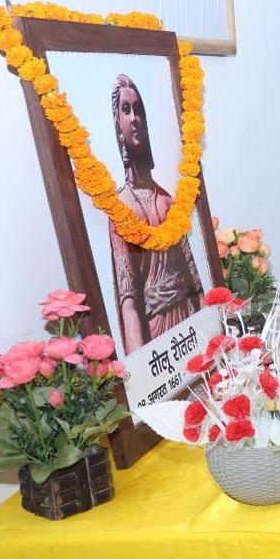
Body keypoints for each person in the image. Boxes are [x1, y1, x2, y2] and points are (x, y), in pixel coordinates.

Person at [109, 74, 205, 355]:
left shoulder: (167, 200)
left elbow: (195, 283)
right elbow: (128, 303)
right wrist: (142, 372)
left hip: (188, 324)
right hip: (157, 337)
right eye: (126, 110)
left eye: (138, 110)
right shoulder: (120, 208)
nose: (134, 118)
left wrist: (214, 346)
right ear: (118, 127)